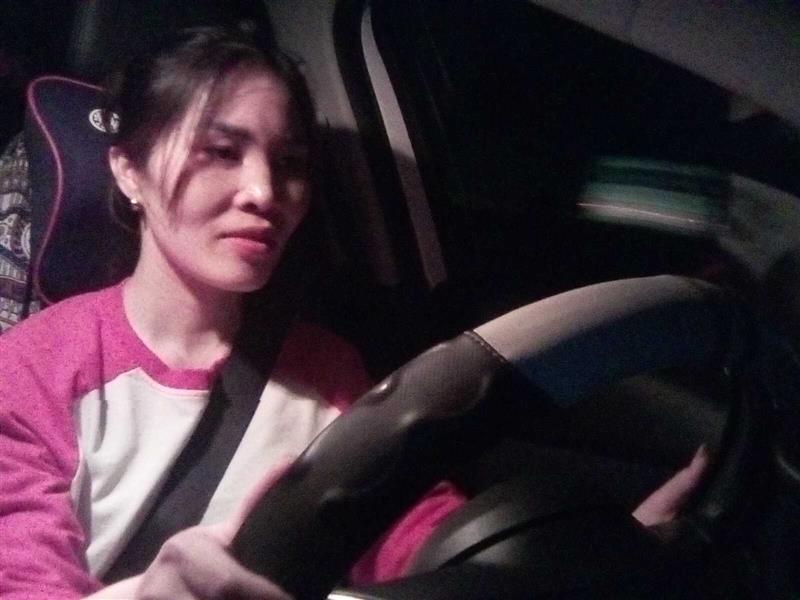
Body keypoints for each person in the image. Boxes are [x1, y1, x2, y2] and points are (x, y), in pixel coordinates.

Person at [0, 26, 707, 600]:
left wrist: (580, 555)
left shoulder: (323, 364)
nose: (264, 191)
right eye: (221, 151)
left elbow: (408, 530)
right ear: (128, 170)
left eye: (289, 162)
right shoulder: (31, 370)